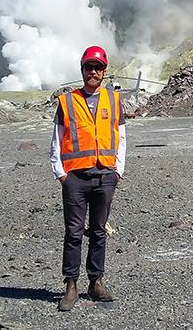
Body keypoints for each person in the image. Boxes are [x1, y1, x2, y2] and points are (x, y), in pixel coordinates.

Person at [49, 45, 126, 311]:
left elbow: (122, 137)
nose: (93, 72)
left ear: (104, 72)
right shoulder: (67, 101)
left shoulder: (114, 101)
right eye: (88, 67)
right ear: (82, 70)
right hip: (76, 179)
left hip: (105, 176)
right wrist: (61, 174)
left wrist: (118, 171)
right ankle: (71, 285)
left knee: (98, 231)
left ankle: (96, 282)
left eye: (98, 67)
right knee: (73, 233)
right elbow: (57, 140)